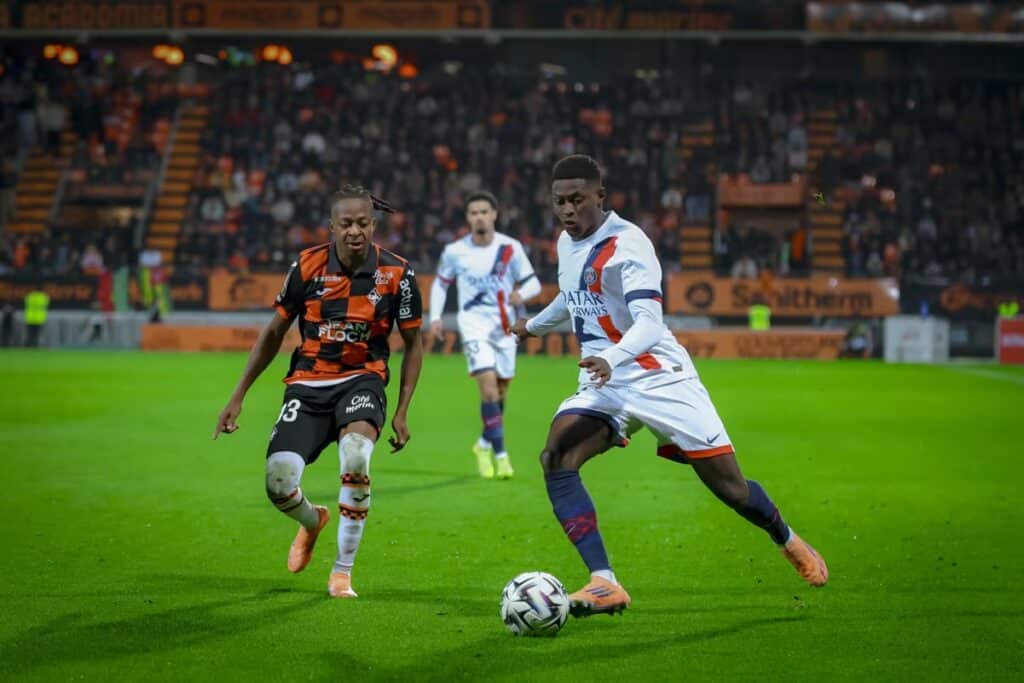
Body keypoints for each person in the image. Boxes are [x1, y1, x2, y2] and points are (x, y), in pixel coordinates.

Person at [512, 155, 828, 618]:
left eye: (577, 199)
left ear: (601, 196)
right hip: (605, 382)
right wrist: (534, 328)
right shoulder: (566, 242)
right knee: (556, 457)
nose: (567, 210)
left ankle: (787, 537)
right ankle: (605, 582)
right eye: (559, 201)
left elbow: (649, 323)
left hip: (658, 376)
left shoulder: (628, 245)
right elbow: (573, 295)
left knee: (732, 489)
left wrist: (612, 357)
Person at [214, 185, 424, 599]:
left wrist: (401, 411)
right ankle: (313, 521)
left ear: (374, 225)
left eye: (363, 223)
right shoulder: (307, 267)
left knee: (357, 457)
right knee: (278, 482)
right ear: (332, 226)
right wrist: (238, 395)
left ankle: (342, 572)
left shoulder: (397, 273)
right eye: (346, 224)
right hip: (308, 384)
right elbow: (274, 332)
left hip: (362, 379)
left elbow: (415, 343)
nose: (355, 231)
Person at [428, 191, 541, 479]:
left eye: (483, 211)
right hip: (474, 324)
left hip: (505, 327)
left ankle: (482, 444)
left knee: (501, 392)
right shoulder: (455, 251)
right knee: (489, 389)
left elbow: (534, 284)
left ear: (494, 214)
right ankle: (502, 457)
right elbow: (441, 284)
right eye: (473, 212)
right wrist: (436, 317)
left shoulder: (510, 248)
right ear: (467, 218)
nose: (479, 216)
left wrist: (521, 294)